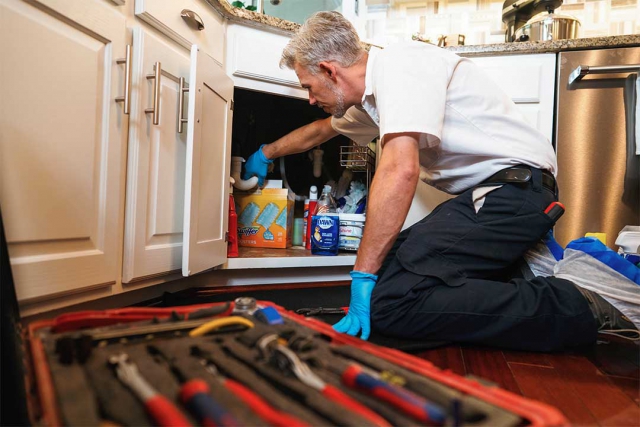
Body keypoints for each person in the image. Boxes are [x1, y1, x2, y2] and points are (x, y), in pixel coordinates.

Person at [242, 11, 639, 351]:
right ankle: (528, 272)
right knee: (389, 283)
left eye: (309, 87)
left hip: (513, 193)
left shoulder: (400, 64)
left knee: (391, 303)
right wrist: (266, 152)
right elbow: (321, 131)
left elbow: (401, 169)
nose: (310, 98)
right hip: (494, 198)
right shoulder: (373, 100)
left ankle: (582, 303)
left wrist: (361, 276)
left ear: (330, 70)